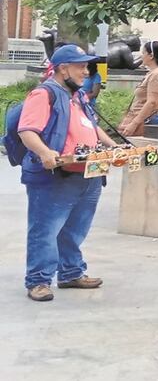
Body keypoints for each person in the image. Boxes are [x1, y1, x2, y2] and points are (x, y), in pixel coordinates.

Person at [19, 45, 122, 302]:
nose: (85, 71)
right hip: (56, 176)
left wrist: (115, 147)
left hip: (88, 173)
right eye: (80, 66)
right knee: (46, 228)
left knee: (76, 227)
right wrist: (44, 153)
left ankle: (70, 272)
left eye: (86, 66)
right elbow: (27, 130)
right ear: (63, 68)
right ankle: (39, 280)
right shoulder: (44, 94)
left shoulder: (78, 96)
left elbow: (93, 127)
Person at [118, 41, 158, 136]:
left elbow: (152, 102)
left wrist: (134, 123)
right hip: (146, 118)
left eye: (143, 53)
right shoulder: (154, 72)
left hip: (150, 120)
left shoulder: (157, 74)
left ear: (151, 56)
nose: (141, 56)